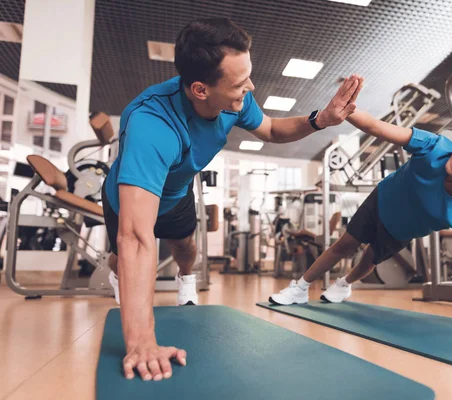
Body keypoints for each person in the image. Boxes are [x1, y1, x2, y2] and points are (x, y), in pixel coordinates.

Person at [101, 17, 362, 381]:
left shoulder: (235, 101)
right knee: (127, 247)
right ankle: (117, 272)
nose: (250, 87)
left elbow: (271, 129)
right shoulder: (152, 123)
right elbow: (137, 237)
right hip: (127, 193)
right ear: (201, 89)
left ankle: (185, 281)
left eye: (248, 76)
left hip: (175, 193)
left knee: (185, 246)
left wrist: (321, 119)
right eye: (240, 83)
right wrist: (142, 340)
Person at [269, 76, 452, 337]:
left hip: (402, 230)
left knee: (369, 260)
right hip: (383, 199)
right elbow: (379, 128)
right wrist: (345, 112)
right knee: (345, 245)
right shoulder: (434, 147)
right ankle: (301, 288)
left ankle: (344, 284)